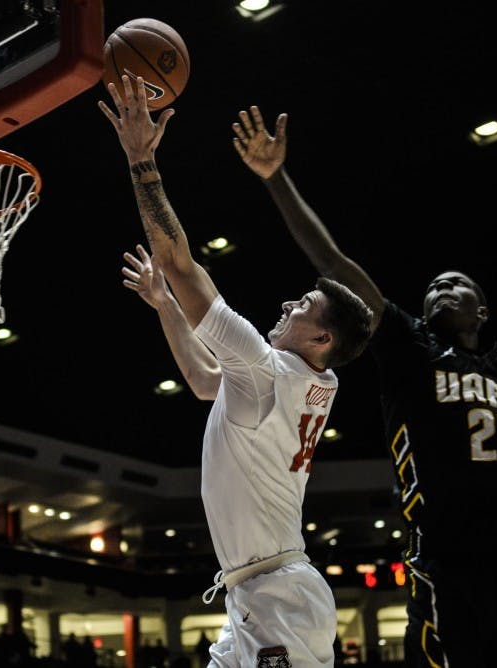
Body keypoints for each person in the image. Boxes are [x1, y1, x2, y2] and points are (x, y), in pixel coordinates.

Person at [229, 104, 497, 667]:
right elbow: (332, 261)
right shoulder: (411, 349)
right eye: (432, 287)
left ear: (483, 309)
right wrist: (276, 178)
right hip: (445, 564)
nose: (438, 290)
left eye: (454, 284)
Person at [102, 75, 373, 668]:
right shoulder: (307, 381)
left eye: (302, 307)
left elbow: (177, 258)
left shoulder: (266, 371)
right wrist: (166, 307)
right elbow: (204, 382)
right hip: (264, 591)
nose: (285, 305)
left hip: (276, 596)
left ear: (322, 337)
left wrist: (141, 159)